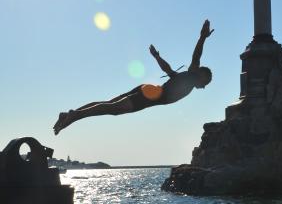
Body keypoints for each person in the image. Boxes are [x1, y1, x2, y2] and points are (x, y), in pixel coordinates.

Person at [53, 19, 214, 135]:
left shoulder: (186, 79)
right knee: (111, 108)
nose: (204, 86)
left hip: (148, 90)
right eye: (205, 81)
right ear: (200, 75)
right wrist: (202, 38)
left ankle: (71, 114)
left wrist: (157, 57)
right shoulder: (191, 79)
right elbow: (196, 56)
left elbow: (169, 70)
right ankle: (74, 115)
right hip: (147, 98)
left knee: (109, 105)